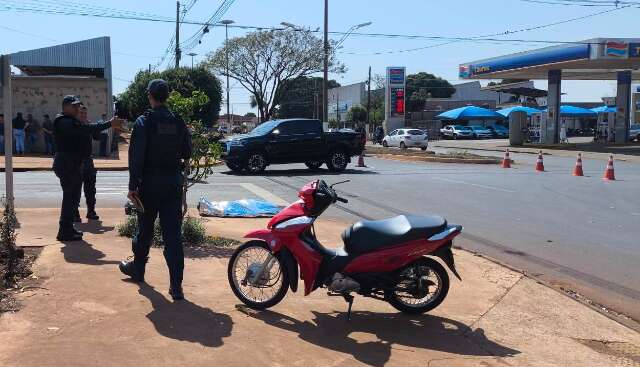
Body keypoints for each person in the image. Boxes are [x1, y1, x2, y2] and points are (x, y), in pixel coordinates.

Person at [119, 79, 192, 301]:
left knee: (145, 229)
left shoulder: (144, 122)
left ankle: (138, 269)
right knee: (173, 235)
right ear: (167, 96)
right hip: (172, 184)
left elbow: (136, 157)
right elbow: (187, 152)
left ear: (150, 96)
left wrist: (133, 186)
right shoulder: (179, 122)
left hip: (150, 184)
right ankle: (176, 286)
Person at [53, 95, 122, 241]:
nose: (77, 108)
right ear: (65, 107)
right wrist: (109, 123)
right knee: (70, 198)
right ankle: (65, 230)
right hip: (67, 164)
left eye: (78, 106)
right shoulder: (63, 121)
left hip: (73, 163)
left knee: (72, 197)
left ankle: (67, 228)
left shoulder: (72, 122)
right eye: (74, 106)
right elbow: (85, 129)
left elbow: (90, 131)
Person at [73, 105, 100, 221]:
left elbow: (96, 137)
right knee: (75, 188)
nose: (83, 115)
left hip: (88, 160)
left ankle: (91, 211)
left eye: (85, 113)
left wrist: (96, 129)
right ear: (76, 114)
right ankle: (74, 212)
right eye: (81, 113)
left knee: (90, 188)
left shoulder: (88, 125)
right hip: (76, 161)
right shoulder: (73, 126)